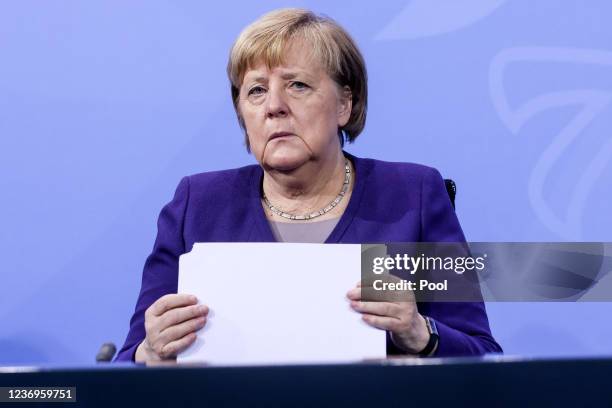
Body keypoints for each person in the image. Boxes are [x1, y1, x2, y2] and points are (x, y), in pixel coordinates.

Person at [115, 8, 502, 362]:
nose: (274, 105)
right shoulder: (196, 204)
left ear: (343, 105)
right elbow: (126, 365)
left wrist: (421, 333)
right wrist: (150, 349)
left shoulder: (413, 195)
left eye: (297, 85)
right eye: (256, 90)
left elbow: (483, 355)